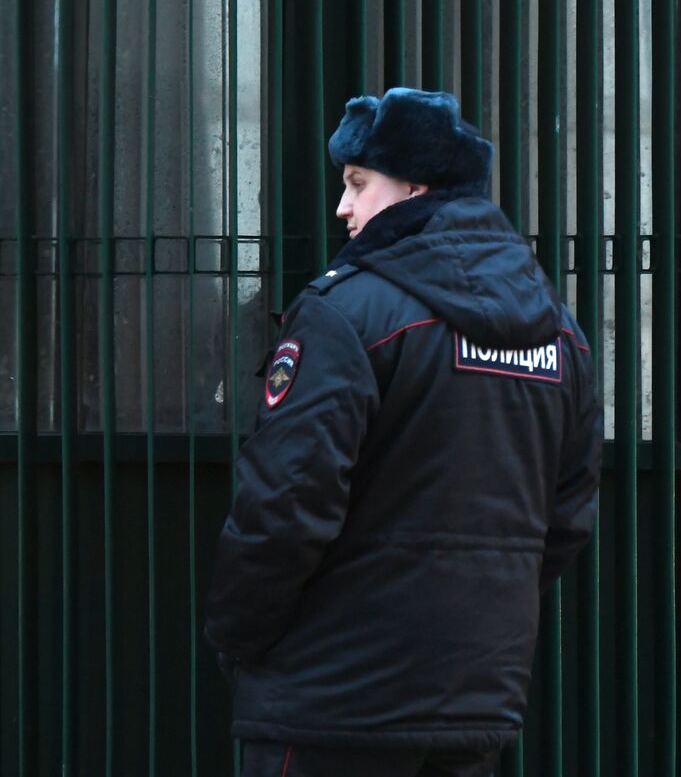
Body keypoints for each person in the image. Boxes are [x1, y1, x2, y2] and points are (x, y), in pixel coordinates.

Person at [205, 87, 603, 777]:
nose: (343, 207)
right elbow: (566, 518)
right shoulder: (561, 336)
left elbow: (285, 506)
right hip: (473, 696)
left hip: (333, 701)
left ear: (415, 186)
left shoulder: (345, 315)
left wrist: (238, 637)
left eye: (359, 184)